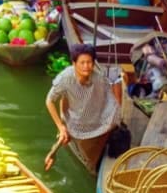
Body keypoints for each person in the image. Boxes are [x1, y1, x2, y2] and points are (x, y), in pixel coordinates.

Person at [45, 43, 121, 175]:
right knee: (88, 152)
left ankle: (96, 158)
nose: (87, 66)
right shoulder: (65, 78)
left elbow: (110, 98)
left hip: (95, 115)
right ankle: (92, 163)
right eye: (82, 63)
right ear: (74, 63)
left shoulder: (99, 77)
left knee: (113, 118)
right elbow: (49, 101)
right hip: (76, 120)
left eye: (90, 62)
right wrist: (61, 127)